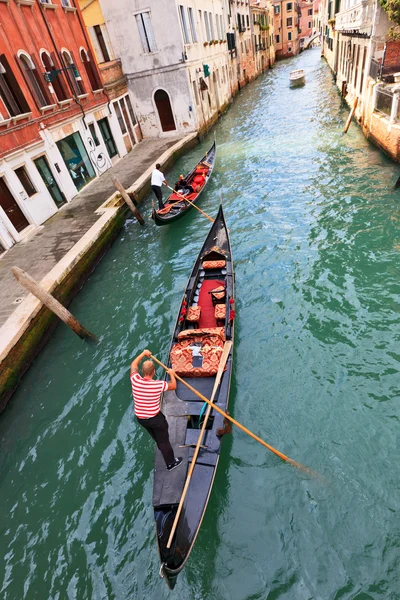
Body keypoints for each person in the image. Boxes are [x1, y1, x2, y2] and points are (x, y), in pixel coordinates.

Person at [130, 349, 182, 471]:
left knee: (158, 438)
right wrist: (172, 374)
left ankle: (161, 445)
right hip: (155, 419)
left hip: (141, 419)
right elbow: (173, 386)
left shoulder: (135, 380)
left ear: (142, 371)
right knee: (164, 441)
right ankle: (171, 463)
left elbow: (133, 365)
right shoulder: (158, 385)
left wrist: (143, 354)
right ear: (154, 372)